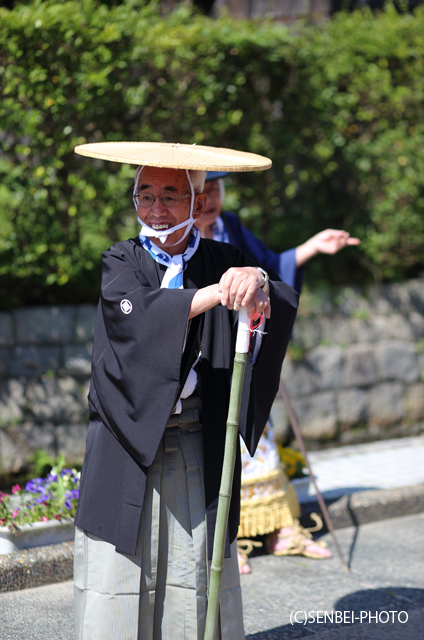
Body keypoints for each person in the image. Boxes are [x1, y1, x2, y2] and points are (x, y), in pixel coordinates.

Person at [72, 142, 298, 640]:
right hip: (126, 442)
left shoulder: (224, 257)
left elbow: (274, 298)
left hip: (200, 437)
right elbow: (139, 318)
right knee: (122, 571)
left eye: (170, 196)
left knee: (197, 570)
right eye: (144, 195)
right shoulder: (121, 260)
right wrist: (217, 293)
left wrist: (256, 280)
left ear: (197, 202)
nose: (156, 209)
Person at [196, 171, 360, 574]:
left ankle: (278, 528)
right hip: (208, 352)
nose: (211, 197)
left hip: (248, 341)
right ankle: (227, 539)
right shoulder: (182, 240)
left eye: (217, 188)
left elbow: (269, 266)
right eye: (203, 189)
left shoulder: (230, 225)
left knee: (259, 435)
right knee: (218, 442)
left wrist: (312, 246)